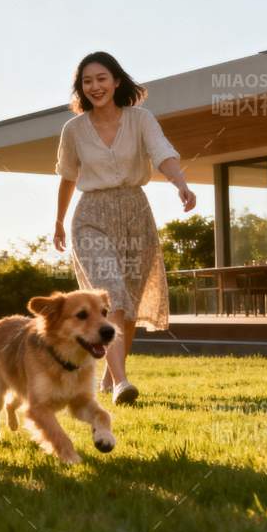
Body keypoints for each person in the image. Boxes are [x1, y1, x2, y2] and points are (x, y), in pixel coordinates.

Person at [52, 51, 196, 405]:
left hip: (135, 214)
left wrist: (180, 184)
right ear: (81, 89)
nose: (95, 86)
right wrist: (58, 220)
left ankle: (109, 375)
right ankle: (121, 382)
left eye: (101, 79)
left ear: (116, 81)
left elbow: (163, 153)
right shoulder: (73, 130)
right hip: (91, 216)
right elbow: (68, 176)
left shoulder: (140, 119)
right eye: (87, 82)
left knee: (127, 303)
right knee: (112, 293)